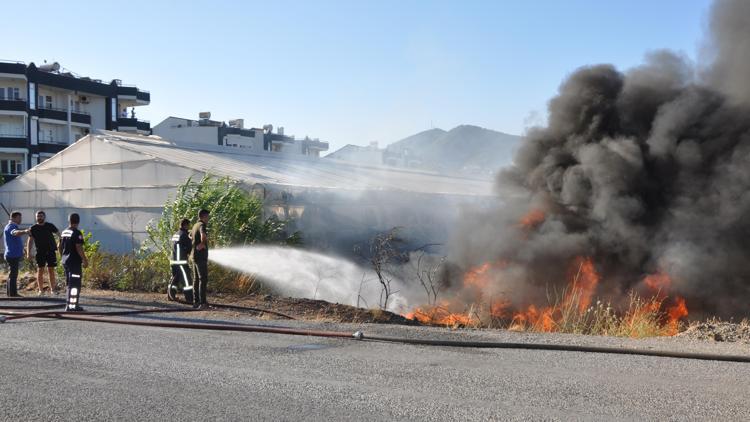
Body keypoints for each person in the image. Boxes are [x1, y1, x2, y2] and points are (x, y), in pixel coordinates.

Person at [58, 213, 88, 312]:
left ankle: (71, 304)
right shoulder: (77, 233)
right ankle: (72, 306)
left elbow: (59, 246)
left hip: (65, 261)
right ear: (78, 221)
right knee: (75, 284)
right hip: (74, 262)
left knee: (69, 283)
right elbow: (78, 247)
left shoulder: (64, 232)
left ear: (69, 220)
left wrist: (62, 256)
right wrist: (84, 259)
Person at [27, 210, 59, 295]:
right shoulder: (33, 228)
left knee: (51, 270)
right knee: (40, 270)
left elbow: (59, 234)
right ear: (36, 217)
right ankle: (41, 290)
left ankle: (53, 290)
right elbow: (30, 241)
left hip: (51, 251)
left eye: (41, 216)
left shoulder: (50, 225)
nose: (39, 217)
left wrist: (60, 242)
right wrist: (28, 253)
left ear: (44, 217)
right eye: (38, 216)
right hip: (40, 252)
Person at [4, 212, 30, 297]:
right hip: (12, 255)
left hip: (12, 254)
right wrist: (25, 231)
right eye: (19, 218)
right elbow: (15, 233)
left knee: (12, 274)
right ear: (14, 218)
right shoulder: (11, 226)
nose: (21, 219)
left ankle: (10, 293)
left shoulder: (12, 226)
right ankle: (13, 293)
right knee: (13, 275)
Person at [168, 218, 193, 303]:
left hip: (173, 261)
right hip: (181, 262)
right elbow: (189, 248)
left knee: (175, 279)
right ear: (186, 225)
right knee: (186, 280)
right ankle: (189, 298)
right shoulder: (184, 235)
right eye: (188, 225)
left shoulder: (176, 234)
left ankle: (170, 295)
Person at [190, 209, 210, 309]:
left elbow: (190, 235)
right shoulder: (202, 225)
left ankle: (196, 302)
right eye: (207, 217)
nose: (208, 219)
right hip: (200, 257)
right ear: (204, 216)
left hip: (194, 256)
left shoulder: (195, 225)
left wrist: (196, 244)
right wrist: (202, 244)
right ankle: (203, 303)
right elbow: (203, 236)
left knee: (196, 279)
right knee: (203, 279)